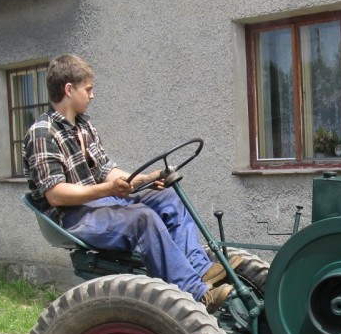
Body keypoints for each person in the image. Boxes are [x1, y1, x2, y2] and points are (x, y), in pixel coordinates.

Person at [23, 54, 233, 312]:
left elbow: (105, 170)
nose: (92, 95)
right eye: (88, 89)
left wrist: (144, 180)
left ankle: (201, 271)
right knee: (141, 218)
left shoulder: (84, 126)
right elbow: (56, 195)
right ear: (69, 89)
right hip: (72, 217)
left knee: (167, 198)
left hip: (101, 203)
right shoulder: (43, 132)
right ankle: (195, 295)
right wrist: (108, 190)